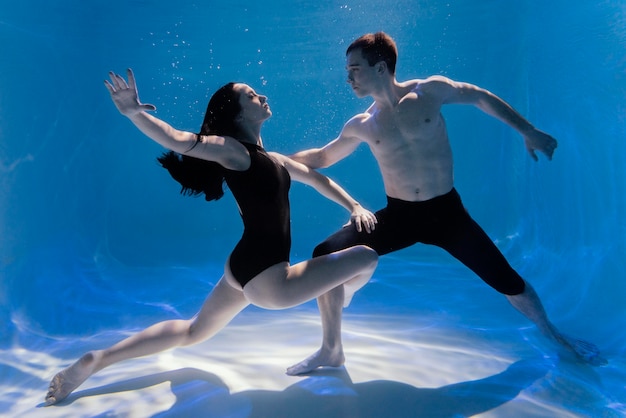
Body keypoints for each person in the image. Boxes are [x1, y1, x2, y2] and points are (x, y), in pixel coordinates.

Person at [45, 69, 379, 405]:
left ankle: (98, 360)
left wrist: (353, 205)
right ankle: (339, 305)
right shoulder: (233, 152)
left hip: (241, 266)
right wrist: (134, 113)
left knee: (192, 331)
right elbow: (178, 140)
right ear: (236, 113)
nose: (261, 96)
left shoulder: (274, 160)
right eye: (250, 94)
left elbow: (318, 180)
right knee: (366, 257)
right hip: (271, 279)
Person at [286, 32, 603, 375]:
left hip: (447, 215)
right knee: (323, 255)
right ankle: (331, 349)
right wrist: (273, 161)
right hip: (399, 215)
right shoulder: (362, 125)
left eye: (355, 69)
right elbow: (321, 157)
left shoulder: (429, 91)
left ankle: (552, 333)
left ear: (380, 68)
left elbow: (479, 97)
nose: (348, 78)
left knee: (506, 280)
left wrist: (528, 130)